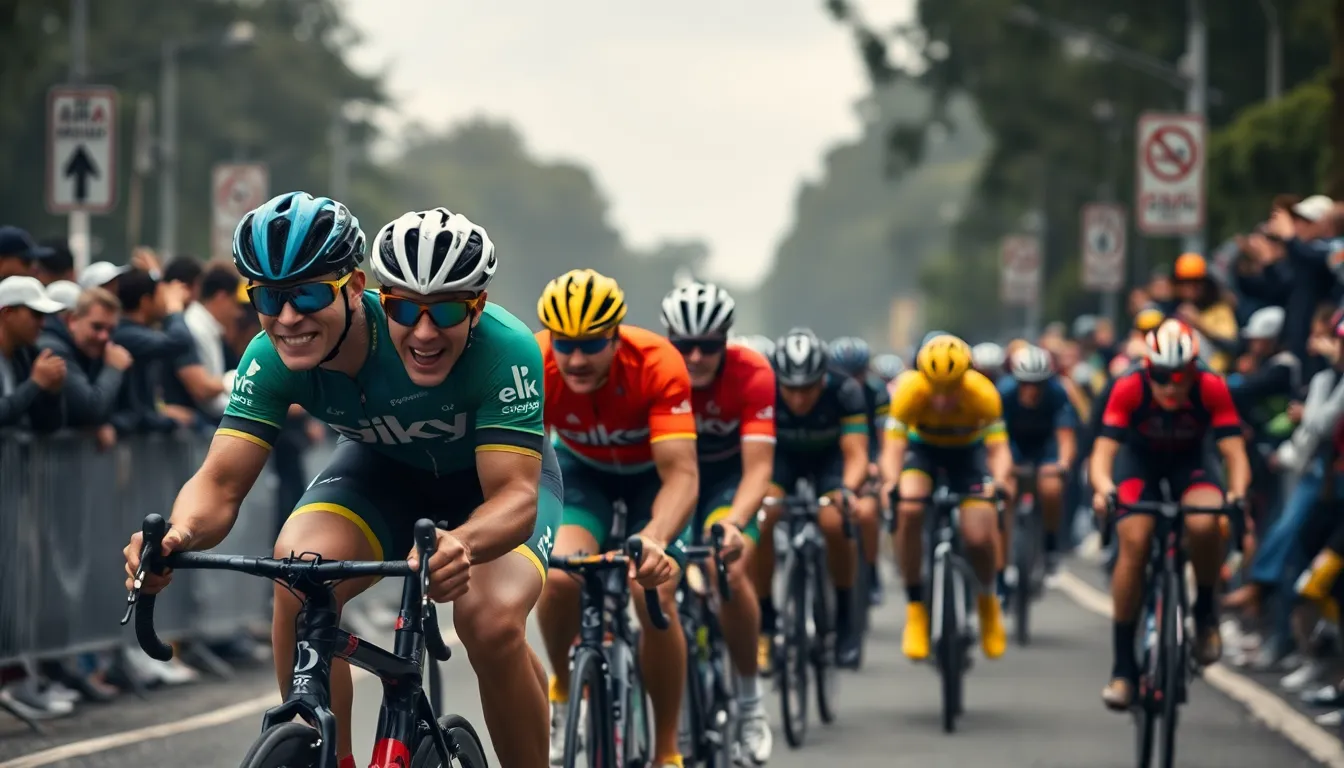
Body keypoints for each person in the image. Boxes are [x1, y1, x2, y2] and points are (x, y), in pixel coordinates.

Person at [123, 195, 562, 768]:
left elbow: (515, 498)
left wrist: (464, 542)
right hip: (385, 475)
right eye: (268, 299)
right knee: (298, 574)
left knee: (489, 621)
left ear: (355, 288)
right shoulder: (268, 357)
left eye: (307, 296)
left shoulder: (504, 347)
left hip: (490, 493)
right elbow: (219, 483)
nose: (288, 318)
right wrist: (177, 536)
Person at [534, 269, 696, 768]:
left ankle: (666, 748)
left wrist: (656, 537)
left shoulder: (657, 363)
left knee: (652, 592)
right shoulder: (535, 361)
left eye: (591, 345)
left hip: (653, 479)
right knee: (558, 579)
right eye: (565, 345)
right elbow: (524, 463)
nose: (576, 360)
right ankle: (564, 690)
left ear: (616, 337)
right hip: (584, 476)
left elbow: (681, 475)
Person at [1090, 319, 1249, 711]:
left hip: (1191, 464)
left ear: (1195, 370)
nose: (1172, 387)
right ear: (1149, 369)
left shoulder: (1212, 386)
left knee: (1204, 522)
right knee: (1135, 540)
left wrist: (1237, 492)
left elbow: (1234, 452)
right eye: (1162, 377)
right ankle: (1123, 669)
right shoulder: (1129, 385)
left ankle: (1205, 613)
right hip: (1139, 464)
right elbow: (1103, 452)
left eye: (1182, 377)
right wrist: (1104, 488)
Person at [659, 280, 775, 764]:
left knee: (726, 566)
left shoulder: (753, 373)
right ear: (670, 340)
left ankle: (750, 703)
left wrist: (737, 523)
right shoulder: (656, 371)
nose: (696, 357)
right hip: (671, 479)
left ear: (726, 339)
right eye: (685, 345)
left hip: (728, 483)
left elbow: (759, 469)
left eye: (709, 346)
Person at [879, 333, 1011, 661]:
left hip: (968, 456)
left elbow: (998, 449)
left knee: (979, 537)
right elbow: (893, 448)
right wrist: (891, 482)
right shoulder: (908, 391)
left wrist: (999, 481)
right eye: (935, 389)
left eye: (950, 390)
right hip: (923, 452)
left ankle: (987, 603)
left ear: (965, 378)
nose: (941, 399)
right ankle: (915, 609)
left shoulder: (983, 393)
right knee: (909, 508)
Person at [758, 328, 869, 668]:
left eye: (808, 388)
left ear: (823, 379)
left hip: (829, 461)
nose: (798, 399)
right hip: (781, 459)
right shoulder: (763, 389)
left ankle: (845, 618)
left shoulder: (845, 391)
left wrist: (848, 490)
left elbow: (856, 452)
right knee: (762, 518)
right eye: (790, 389)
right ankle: (765, 619)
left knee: (834, 521)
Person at [997, 345, 1077, 590]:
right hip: (1012, 446)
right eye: (1025, 384)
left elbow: (1065, 436)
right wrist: (1004, 468)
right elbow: (996, 438)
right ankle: (1001, 565)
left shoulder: (1057, 393)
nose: (1031, 390)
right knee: (1005, 493)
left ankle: (1051, 544)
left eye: (1037, 384)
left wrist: (1062, 464)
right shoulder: (1004, 393)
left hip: (1045, 447)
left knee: (1051, 488)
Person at [828, 335, 890, 607]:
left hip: (869, 454)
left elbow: (886, 438)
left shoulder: (878, 393)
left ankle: (872, 569)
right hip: (837, 456)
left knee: (867, 514)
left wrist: (879, 465)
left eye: (858, 374)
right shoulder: (830, 391)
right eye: (845, 373)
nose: (852, 380)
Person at [33, 287, 133, 434]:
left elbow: (132, 411)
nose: (104, 337)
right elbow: (90, 411)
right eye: (97, 327)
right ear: (73, 320)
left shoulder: (99, 352)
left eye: (110, 330)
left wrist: (114, 425)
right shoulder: (53, 350)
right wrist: (113, 370)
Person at [0, 276, 67, 425]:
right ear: (7, 313)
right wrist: (34, 384)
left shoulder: (25, 354)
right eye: (36, 314)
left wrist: (52, 392)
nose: (42, 323)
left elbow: (47, 426)